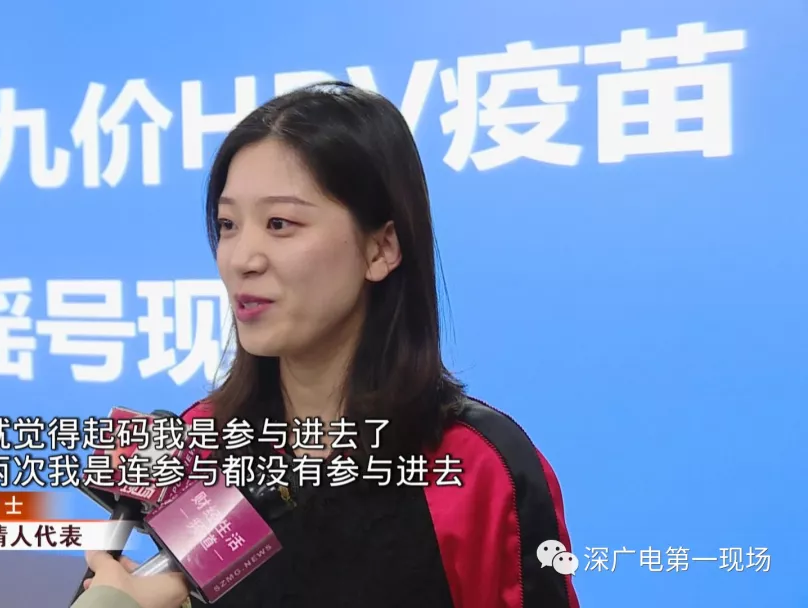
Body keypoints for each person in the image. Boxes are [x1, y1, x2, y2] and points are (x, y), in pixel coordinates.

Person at [81, 81, 581, 608]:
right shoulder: (201, 446)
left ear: (381, 248)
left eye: (280, 223)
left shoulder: (478, 468)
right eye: (228, 224)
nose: (241, 258)